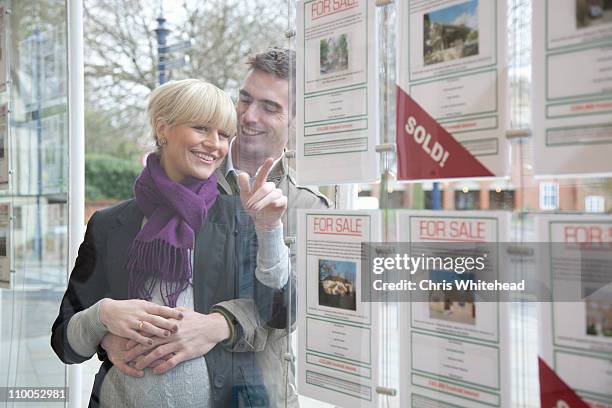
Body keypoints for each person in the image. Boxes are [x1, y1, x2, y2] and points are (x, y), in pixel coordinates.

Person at [51, 79, 292, 408]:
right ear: (163, 128)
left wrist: (216, 324)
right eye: (201, 128)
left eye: (223, 134)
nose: (215, 145)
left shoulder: (240, 216)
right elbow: (64, 341)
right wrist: (103, 318)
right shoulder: (108, 225)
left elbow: (279, 312)